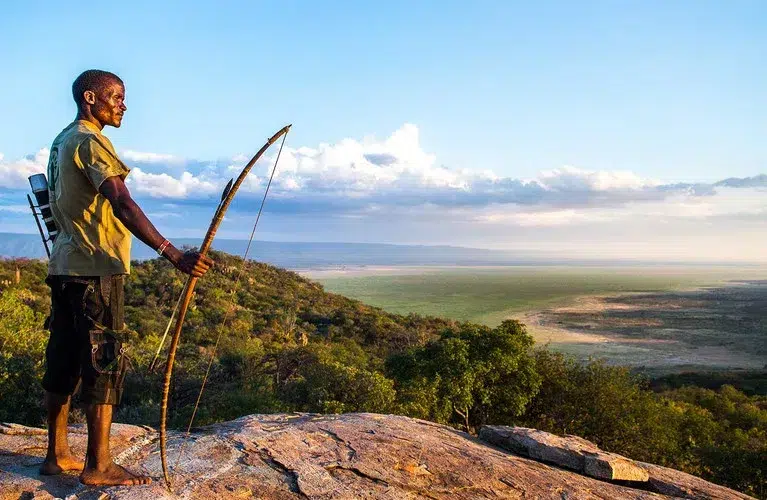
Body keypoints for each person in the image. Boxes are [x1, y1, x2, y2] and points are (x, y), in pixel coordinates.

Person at [39, 69, 213, 486]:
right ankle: (98, 465)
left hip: (65, 267)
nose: (123, 104)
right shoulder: (90, 141)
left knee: (63, 358)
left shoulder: (62, 139)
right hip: (95, 269)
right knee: (103, 362)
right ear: (89, 98)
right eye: (115, 96)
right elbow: (121, 201)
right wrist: (172, 253)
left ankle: (57, 454)